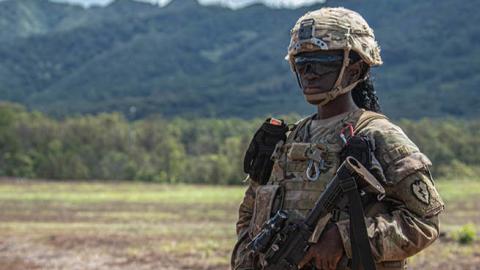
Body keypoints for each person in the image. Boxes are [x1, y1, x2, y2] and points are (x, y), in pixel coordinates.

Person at [231, 7, 444, 270]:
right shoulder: (286, 141)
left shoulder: (379, 137)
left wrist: (346, 238)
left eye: (322, 62)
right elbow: (249, 218)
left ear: (354, 69)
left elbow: (424, 221)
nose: (309, 72)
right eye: (302, 63)